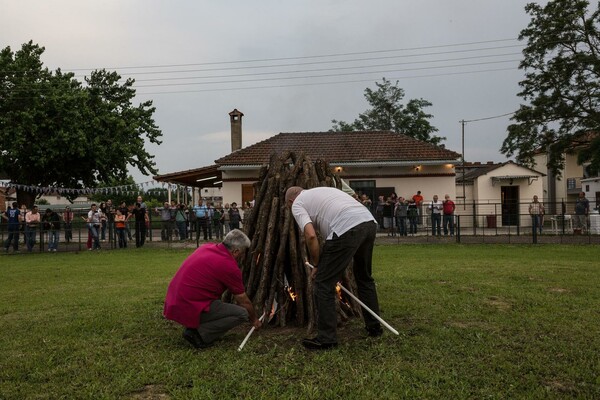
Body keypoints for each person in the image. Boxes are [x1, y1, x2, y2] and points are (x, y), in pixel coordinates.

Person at [285, 186, 383, 350]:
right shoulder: (322, 190)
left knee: (323, 283)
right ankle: (374, 327)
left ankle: (327, 338)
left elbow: (310, 235)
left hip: (346, 227)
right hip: (368, 222)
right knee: (364, 278)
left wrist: (317, 264)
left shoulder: (297, 203)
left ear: (290, 201)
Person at [163, 229, 261, 349]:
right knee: (242, 314)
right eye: (243, 252)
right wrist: (254, 319)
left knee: (219, 306)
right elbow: (243, 300)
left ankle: (195, 327)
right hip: (189, 306)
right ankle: (199, 334)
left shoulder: (206, 247)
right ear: (236, 251)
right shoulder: (228, 265)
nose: (242, 255)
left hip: (174, 302)